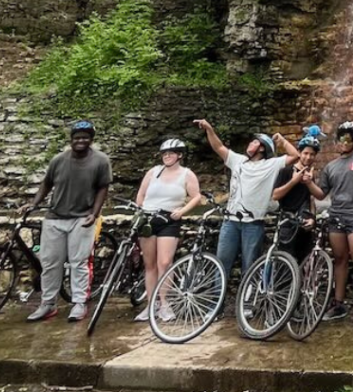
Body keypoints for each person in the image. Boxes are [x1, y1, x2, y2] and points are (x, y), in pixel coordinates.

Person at [24, 119, 112, 323]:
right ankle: (48, 303)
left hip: (82, 218)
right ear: (71, 139)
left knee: (78, 262)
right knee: (50, 263)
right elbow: (46, 183)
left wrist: (94, 213)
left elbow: (103, 188)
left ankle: (79, 302)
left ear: (91, 140)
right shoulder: (58, 160)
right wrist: (34, 203)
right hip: (55, 218)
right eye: (77, 138)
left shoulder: (100, 161)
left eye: (85, 138)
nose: (81, 141)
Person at [193, 119, 298, 286]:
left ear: (262, 148)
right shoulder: (238, 160)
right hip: (230, 221)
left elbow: (295, 156)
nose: (250, 143)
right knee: (221, 264)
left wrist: (283, 141)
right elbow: (218, 147)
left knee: (250, 267)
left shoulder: (271, 165)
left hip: (253, 224)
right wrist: (209, 129)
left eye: (255, 142)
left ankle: (246, 299)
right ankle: (217, 300)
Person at [308, 120, 353, 327]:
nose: (344, 142)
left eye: (349, 139)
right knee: (339, 259)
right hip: (336, 217)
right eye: (341, 138)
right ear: (336, 141)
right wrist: (307, 182)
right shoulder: (330, 167)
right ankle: (338, 303)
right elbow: (321, 194)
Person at [133, 137, 203, 321]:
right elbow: (141, 195)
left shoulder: (187, 174)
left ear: (179, 155)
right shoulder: (153, 172)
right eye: (164, 153)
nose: (167, 156)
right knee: (149, 265)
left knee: (164, 262)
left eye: (171, 153)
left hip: (169, 220)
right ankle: (151, 304)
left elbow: (197, 197)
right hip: (148, 219)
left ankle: (165, 303)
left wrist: (182, 211)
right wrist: (141, 210)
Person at [271, 134, 321, 263]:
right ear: (299, 153)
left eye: (312, 154)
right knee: (285, 264)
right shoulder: (286, 171)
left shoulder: (310, 175)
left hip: (304, 223)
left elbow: (311, 199)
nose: (308, 157)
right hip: (287, 222)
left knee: (304, 263)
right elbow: (275, 195)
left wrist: (313, 218)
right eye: (305, 153)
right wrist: (294, 181)